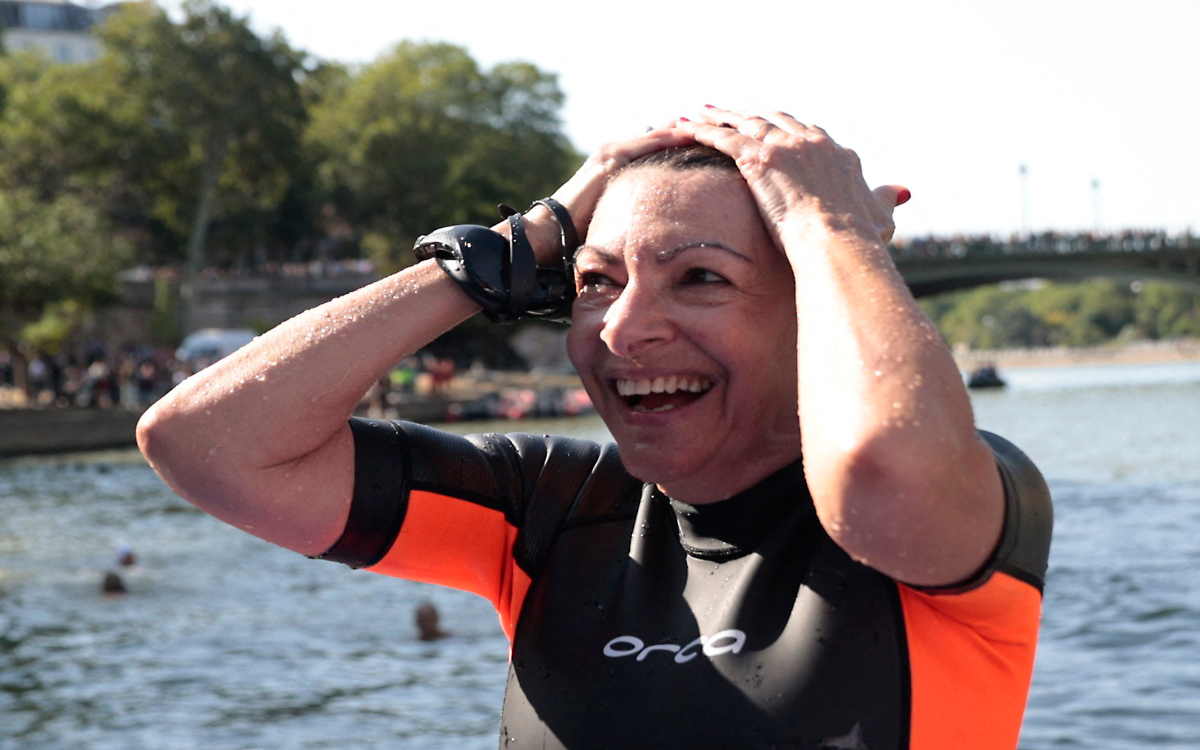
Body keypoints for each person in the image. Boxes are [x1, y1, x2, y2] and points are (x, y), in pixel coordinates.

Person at [137, 107, 1052, 750]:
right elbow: (204, 440)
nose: (619, 329)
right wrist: (513, 248)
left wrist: (829, 230)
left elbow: (881, 476)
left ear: (814, 306)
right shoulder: (553, 510)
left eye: (700, 279)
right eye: (596, 283)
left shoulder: (959, 507)